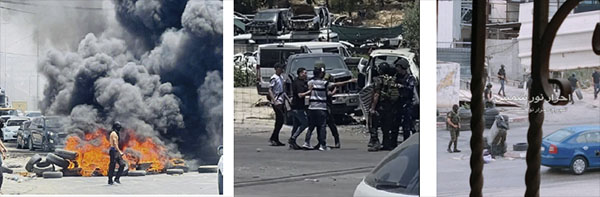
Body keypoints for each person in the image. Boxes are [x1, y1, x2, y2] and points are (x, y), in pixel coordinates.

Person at [307, 63, 355, 151]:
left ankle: (336, 140)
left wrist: (332, 92)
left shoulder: (328, 77)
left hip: (327, 103)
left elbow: (334, 84)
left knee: (330, 123)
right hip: (321, 103)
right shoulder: (314, 80)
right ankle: (321, 142)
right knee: (320, 125)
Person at [368, 62, 401, 151]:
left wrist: (372, 108)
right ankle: (386, 143)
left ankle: (375, 143)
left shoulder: (378, 80)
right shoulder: (391, 80)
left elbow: (376, 94)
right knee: (386, 126)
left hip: (380, 106)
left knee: (373, 125)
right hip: (389, 107)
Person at [394, 58, 417, 144]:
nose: (397, 69)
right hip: (398, 103)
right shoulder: (396, 77)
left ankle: (406, 142)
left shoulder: (410, 78)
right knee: (395, 124)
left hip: (407, 104)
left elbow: (410, 89)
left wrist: (402, 87)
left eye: (399, 67)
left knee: (407, 125)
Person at [288, 68, 312, 150]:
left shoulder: (302, 82)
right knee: (305, 123)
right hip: (297, 107)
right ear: (300, 74)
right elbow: (300, 95)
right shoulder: (298, 83)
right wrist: (309, 91)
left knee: (296, 125)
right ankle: (293, 138)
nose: (306, 74)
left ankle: (292, 143)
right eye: (304, 73)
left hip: (298, 107)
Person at [268, 63, 287, 146]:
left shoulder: (281, 77)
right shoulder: (274, 78)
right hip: (276, 100)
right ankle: (273, 138)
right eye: (280, 68)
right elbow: (270, 90)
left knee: (280, 121)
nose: (282, 70)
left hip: (281, 100)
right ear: (276, 69)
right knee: (280, 119)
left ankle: (275, 138)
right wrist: (274, 100)